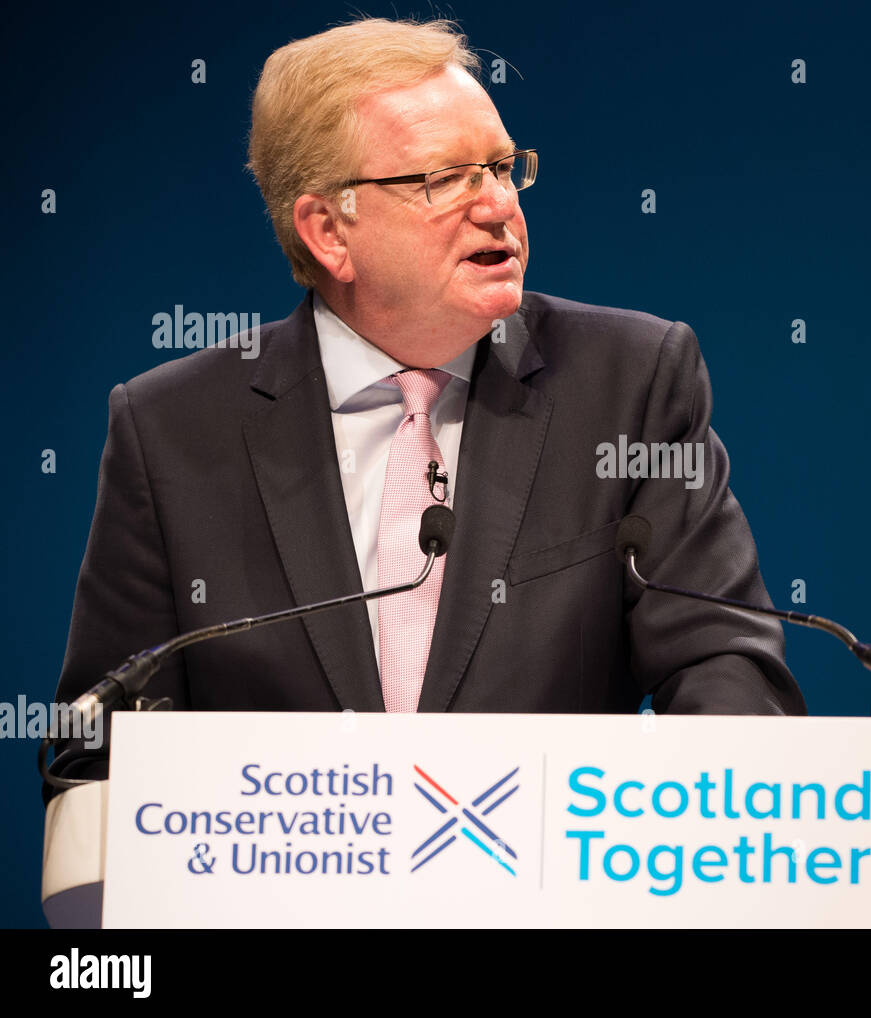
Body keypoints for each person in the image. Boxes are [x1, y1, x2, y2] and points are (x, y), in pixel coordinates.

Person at [49, 18, 804, 786]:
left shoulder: (628, 382)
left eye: (504, 168)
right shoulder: (172, 429)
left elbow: (723, 660)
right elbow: (99, 750)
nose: (498, 206)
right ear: (327, 231)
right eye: (445, 179)